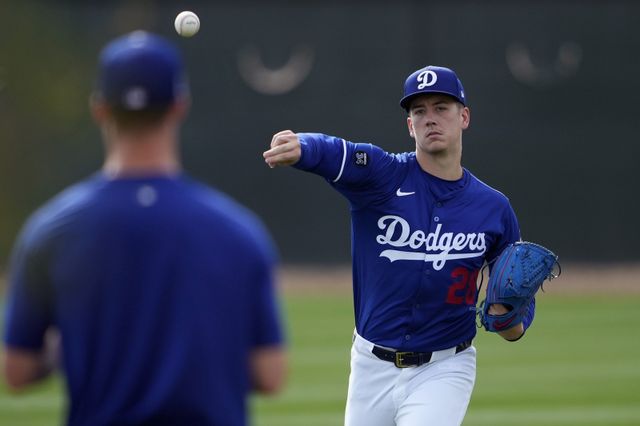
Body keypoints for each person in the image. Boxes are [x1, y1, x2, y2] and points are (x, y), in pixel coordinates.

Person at [2, 30, 286, 426]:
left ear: (100, 108)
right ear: (180, 105)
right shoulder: (237, 231)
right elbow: (270, 373)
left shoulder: (52, 230)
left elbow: (16, 370)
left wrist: (67, 347)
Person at [262, 65, 534, 426]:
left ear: (464, 117)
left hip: (445, 368)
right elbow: (338, 152)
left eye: (441, 108)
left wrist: (511, 319)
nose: (430, 118)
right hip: (370, 367)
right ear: (409, 125)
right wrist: (303, 146)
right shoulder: (382, 175)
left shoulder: (494, 208)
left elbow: (516, 309)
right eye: (419, 111)